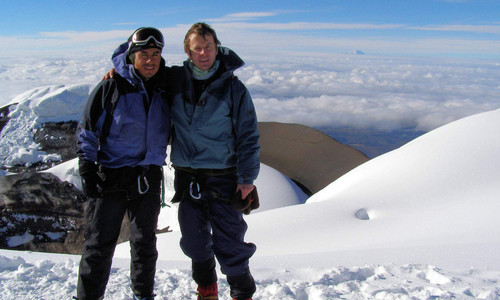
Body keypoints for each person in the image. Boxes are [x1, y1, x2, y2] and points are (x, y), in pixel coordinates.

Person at [75, 27, 170, 300]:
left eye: (155, 54)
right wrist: (87, 166)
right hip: (111, 175)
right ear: (131, 55)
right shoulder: (111, 86)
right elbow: (88, 129)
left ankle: (143, 294)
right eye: (144, 54)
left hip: (147, 175)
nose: (150, 60)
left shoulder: (165, 86)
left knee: (145, 243)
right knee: (99, 243)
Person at [169, 22, 260, 300]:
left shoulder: (233, 88)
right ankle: (206, 289)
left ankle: (242, 292)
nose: (204, 53)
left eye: (209, 46)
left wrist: (247, 179)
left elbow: (248, 134)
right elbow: (140, 69)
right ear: (188, 51)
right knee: (195, 242)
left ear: (216, 48)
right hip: (188, 177)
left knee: (230, 242)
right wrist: (115, 72)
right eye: (198, 48)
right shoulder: (173, 81)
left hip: (225, 177)